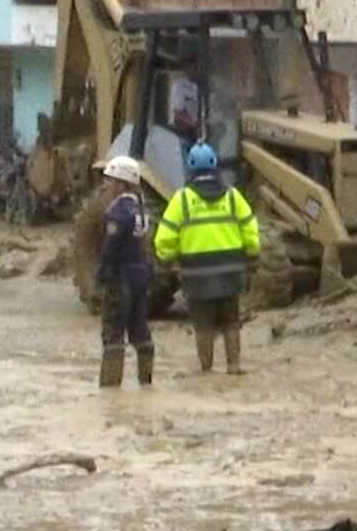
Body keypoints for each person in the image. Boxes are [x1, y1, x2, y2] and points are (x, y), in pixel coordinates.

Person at [153, 142, 259, 376]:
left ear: (190, 168)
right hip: (231, 273)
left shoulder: (181, 201)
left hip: (196, 275)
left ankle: (206, 369)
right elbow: (251, 231)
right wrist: (252, 256)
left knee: (203, 325)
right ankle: (234, 365)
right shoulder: (233, 197)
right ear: (215, 166)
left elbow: (165, 239)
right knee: (231, 321)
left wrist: (165, 259)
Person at [96, 155, 153, 388]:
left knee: (113, 333)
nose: (107, 185)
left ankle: (110, 389)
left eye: (111, 180)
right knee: (140, 330)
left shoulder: (118, 210)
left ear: (122, 183)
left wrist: (101, 273)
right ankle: (146, 382)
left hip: (121, 278)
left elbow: (111, 245)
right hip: (140, 277)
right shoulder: (141, 209)